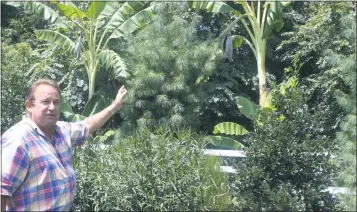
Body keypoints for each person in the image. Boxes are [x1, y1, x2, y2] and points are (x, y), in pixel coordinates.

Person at [1, 79, 127, 211]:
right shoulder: (18, 140)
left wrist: (115, 106)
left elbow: (87, 126)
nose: (52, 107)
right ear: (29, 105)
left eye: (56, 102)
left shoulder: (62, 131)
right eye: (45, 102)